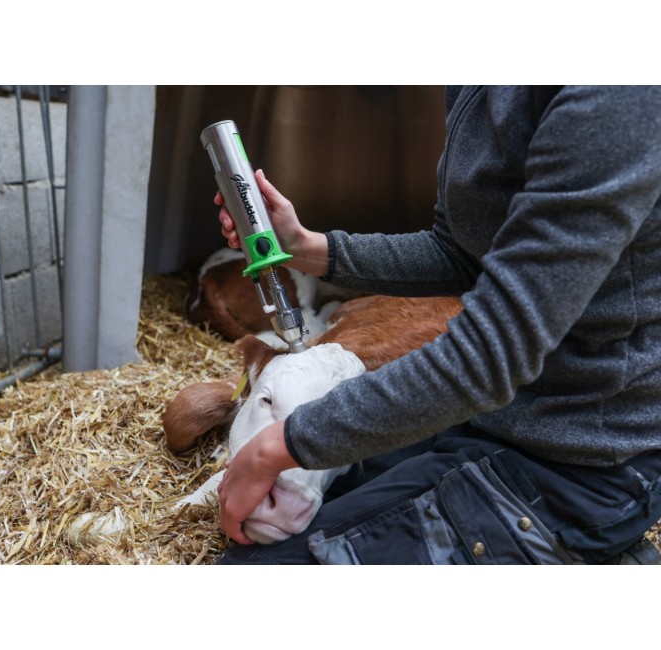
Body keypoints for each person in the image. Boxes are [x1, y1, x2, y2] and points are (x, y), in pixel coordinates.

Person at [214, 86, 661, 564]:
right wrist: (308, 249)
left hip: (576, 462)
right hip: (490, 418)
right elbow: (459, 251)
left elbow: (492, 353)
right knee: (292, 511)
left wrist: (282, 445)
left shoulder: (612, 96)